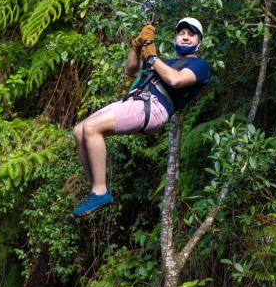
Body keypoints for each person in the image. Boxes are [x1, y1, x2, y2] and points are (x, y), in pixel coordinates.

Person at [72, 17, 212, 216]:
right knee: (79, 131)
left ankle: (100, 190)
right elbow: (131, 71)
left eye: (191, 34)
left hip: (153, 106)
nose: (186, 38)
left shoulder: (200, 65)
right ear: (175, 38)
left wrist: (153, 57)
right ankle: (96, 188)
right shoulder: (169, 62)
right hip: (135, 100)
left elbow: (175, 80)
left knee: (92, 128)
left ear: (199, 42)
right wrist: (137, 46)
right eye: (181, 33)